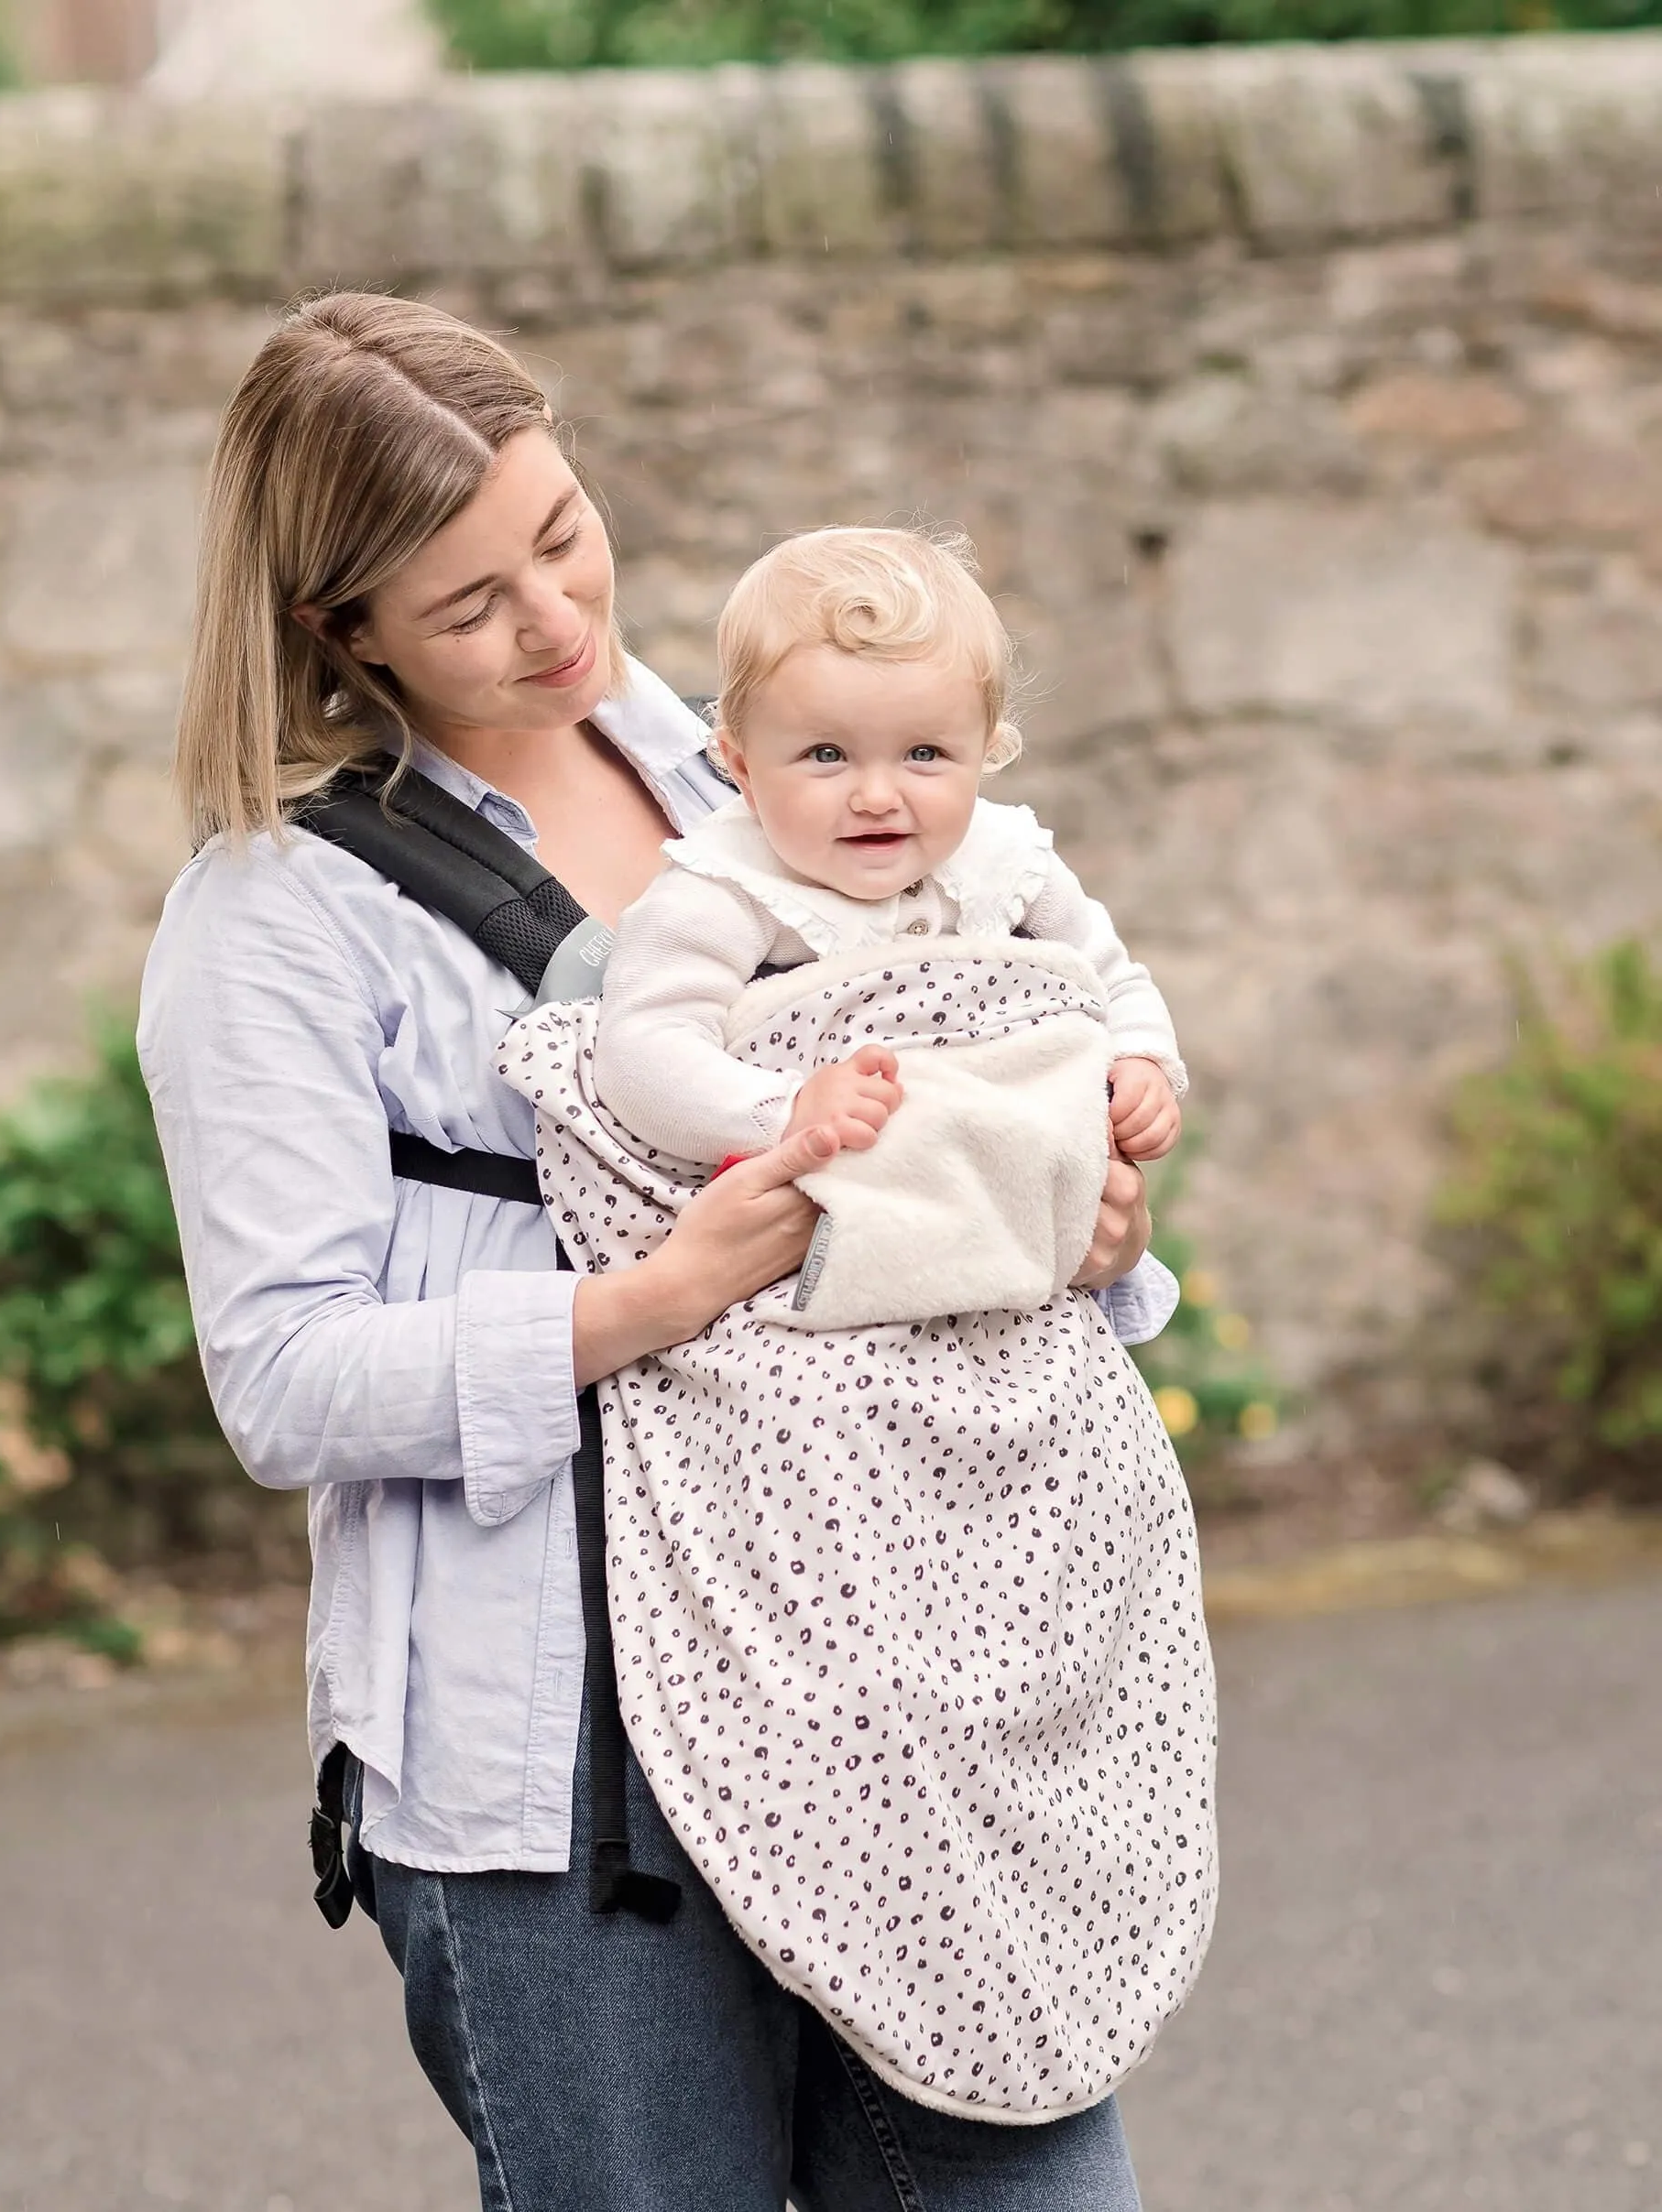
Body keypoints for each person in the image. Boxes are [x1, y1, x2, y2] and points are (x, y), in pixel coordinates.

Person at [139, 290, 1176, 2210]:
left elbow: (975, 1093)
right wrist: (652, 1296)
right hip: (564, 1775)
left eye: (560, 530)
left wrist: (1089, 1222)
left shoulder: (768, 770)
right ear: (334, 628)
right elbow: (281, 1376)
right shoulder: (273, 917)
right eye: (468, 604)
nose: (554, 616)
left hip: (890, 1688)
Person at [595, 523, 1186, 1182]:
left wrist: (1139, 1057)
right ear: (741, 766)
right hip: (815, 1216)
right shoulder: (726, 886)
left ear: (986, 750)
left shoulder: (1008, 862)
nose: (877, 796)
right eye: (827, 754)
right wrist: (782, 1107)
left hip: (991, 1183)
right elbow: (641, 1051)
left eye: (924, 754)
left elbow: (1110, 977)